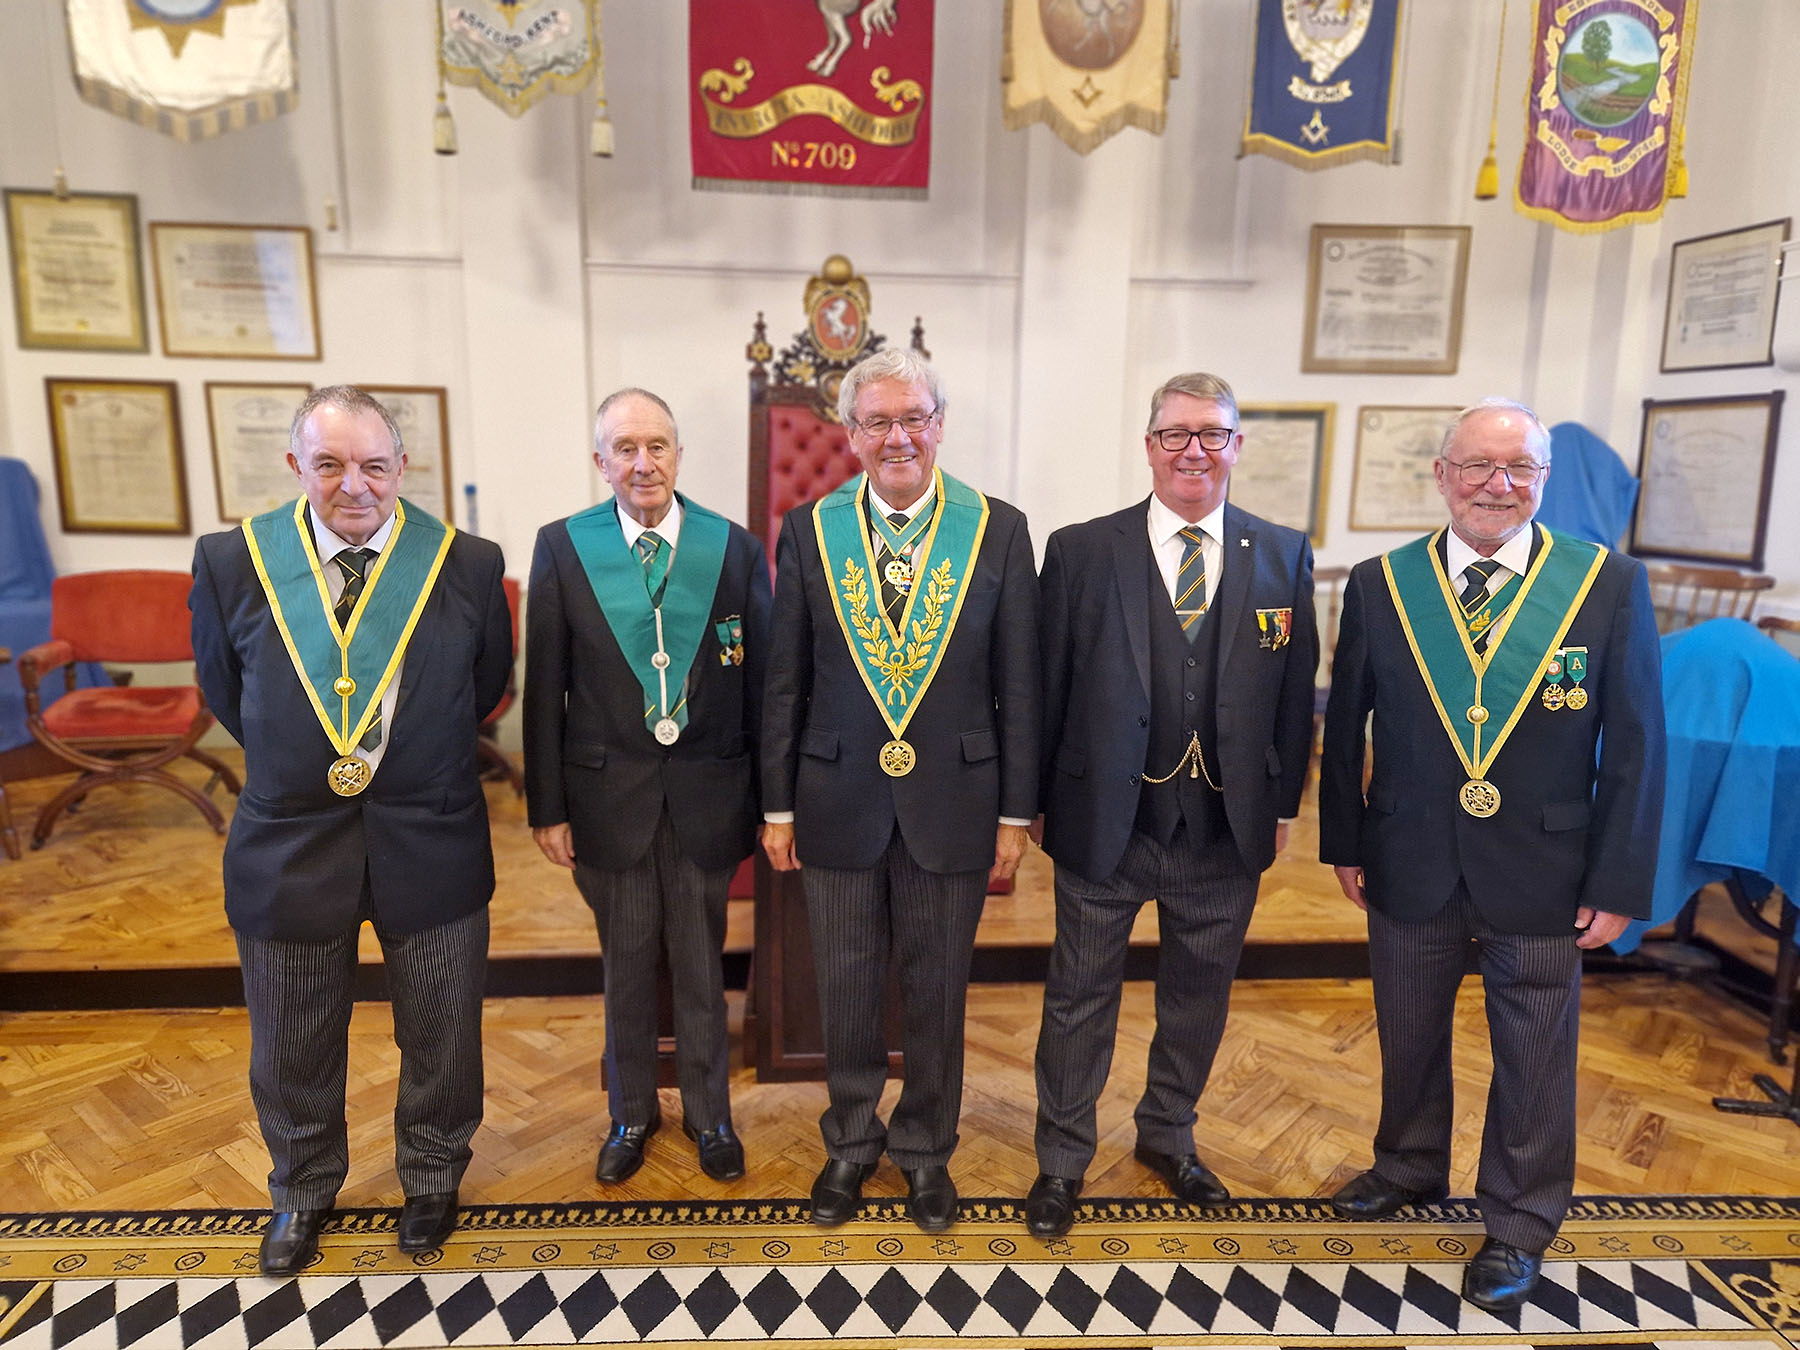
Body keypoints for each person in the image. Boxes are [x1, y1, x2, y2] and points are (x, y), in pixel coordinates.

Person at [1319, 397, 1665, 1312]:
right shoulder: (1380, 583)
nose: (1497, 486)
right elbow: (1344, 718)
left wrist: (1621, 879)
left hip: (1549, 869)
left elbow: (1636, 742)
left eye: (1519, 471)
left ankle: (1518, 1221)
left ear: (1542, 483)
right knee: (1408, 1034)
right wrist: (1344, 844)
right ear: (1441, 474)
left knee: (1537, 1055)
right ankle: (1407, 1167)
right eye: (1477, 466)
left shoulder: (1605, 584)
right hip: (1407, 855)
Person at [190, 385, 512, 1275]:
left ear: (403, 469)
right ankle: (301, 1189)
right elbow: (226, 692)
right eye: (329, 464)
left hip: (432, 833)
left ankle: (434, 1176)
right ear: (296, 467)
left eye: (374, 464)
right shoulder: (232, 563)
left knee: (443, 1032)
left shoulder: (468, 564)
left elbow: (484, 689)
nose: (354, 485)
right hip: (291, 841)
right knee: (292, 1036)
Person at [1024, 372, 1318, 1238]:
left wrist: (1286, 802)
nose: (1195, 449)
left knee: (1200, 995)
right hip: (1102, 821)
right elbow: (1047, 688)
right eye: (1177, 434)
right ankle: (1062, 1159)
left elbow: (1298, 693)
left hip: (1226, 828)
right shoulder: (1081, 550)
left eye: (1212, 434)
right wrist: (1033, 802)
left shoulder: (1283, 552)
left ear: (1235, 446)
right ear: (1149, 445)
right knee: (1078, 999)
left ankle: (1170, 1133)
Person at [761, 347, 1038, 1232]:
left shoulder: (997, 528)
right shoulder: (809, 530)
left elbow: (1019, 685)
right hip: (836, 794)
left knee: (936, 989)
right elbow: (784, 682)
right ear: (850, 435)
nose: (897, 436)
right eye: (877, 421)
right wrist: (775, 805)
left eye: (913, 417)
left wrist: (1015, 812)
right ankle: (849, 1143)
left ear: (940, 425)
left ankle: (925, 1151)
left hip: (955, 801)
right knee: (843, 985)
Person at [524, 388, 770, 1185]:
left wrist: (772, 801)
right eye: (625, 448)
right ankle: (631, 1113)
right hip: (606, 799)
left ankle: (709, 1115)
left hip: (708, 794)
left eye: (657, 445)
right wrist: (547, 807)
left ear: (677, 454)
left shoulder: (730, 548)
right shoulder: (563, 547)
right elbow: (545, 691)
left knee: (701, 961)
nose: (643, 462)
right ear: (601, 463)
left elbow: (762, 681)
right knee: (626, 962)